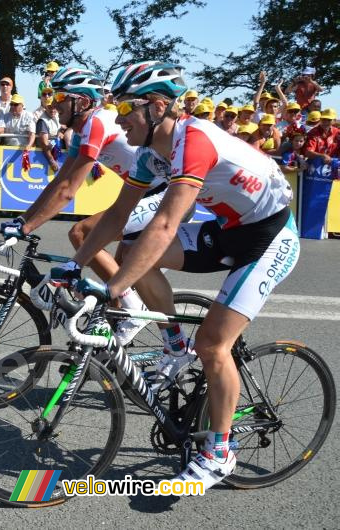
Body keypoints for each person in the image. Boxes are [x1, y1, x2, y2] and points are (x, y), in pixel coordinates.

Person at [58, 60, 297, 493]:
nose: (117, 119)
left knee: (213, 343)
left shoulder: (196, 141)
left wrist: (113, 289)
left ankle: (220, 451)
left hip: (269, 237)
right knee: (131, 248)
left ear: (157, 106)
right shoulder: (153, 153)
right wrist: (77, 264)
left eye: (126, 108)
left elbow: (166, 225)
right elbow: (118, 215)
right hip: (228, 231)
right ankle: (174, 344)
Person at [1, 65, 162, 345]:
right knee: (116, 273)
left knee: (81, 233)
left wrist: (26, 228)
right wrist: (21, 219)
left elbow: (68, 191)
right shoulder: (81, 132)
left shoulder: (97, 123)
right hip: (144, 194)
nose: (54, 103)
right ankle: (119, 356)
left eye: (61, 98)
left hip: (164, 195)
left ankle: (135, 314)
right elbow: (57, 182)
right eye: (53, 96)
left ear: (83, 102)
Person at [34, 87, 62, 172]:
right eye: (50, 107)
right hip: (46, 158)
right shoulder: (42, 121)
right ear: (45, 108)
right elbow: (44, 144)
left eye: (54, 107)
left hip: (58, 153)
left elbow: (63, 126)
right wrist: (51, 161)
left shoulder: (58, 115)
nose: (52, 109)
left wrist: (61, 132)